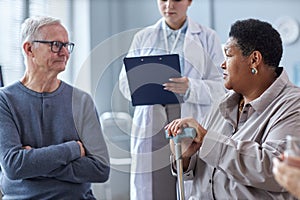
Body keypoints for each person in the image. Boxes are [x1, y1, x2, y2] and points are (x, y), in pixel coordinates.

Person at [165, 18, 300, 199]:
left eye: (228, 55)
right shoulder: (223, 103)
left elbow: (274, 170)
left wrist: (206, 139)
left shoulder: (292, 105)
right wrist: (185, 156)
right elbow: (197, 171)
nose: (222, 64)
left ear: (254, 59)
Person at [119, 0, 225, 199]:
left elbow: (222, 88)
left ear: (189, 1)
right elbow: (124, 84)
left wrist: (191, 87)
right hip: (152, 121)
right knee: (153, 187)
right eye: (163, 0)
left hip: (189, 118)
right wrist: (145, 83)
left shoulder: (208, 37)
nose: (168, 5)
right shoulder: (143, 37)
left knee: (188, 182)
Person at [0, 16, 110, 199]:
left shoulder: (82, 101)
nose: (65, 52)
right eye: (56, 45)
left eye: (67, 45)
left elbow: (100, 169)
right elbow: (14, 166)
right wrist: (73, 149)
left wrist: (35, 163)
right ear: (29, 49)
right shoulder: (4, 100)